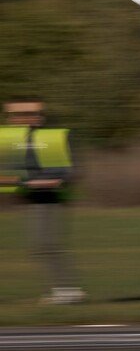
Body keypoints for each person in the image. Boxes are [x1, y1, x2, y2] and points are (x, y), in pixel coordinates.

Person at [0, 100, 85, 304]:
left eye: (30, 114)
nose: (22, 119)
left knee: (46, 244)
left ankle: (67, 291)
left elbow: (70, 170)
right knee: (41, 245)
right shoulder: (12, 141)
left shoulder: (53, 138)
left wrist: (50, 180)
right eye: (17, 116)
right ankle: (65, 289)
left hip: (50, 198)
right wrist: (23, 181)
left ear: (41, 116)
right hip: (32, 198)